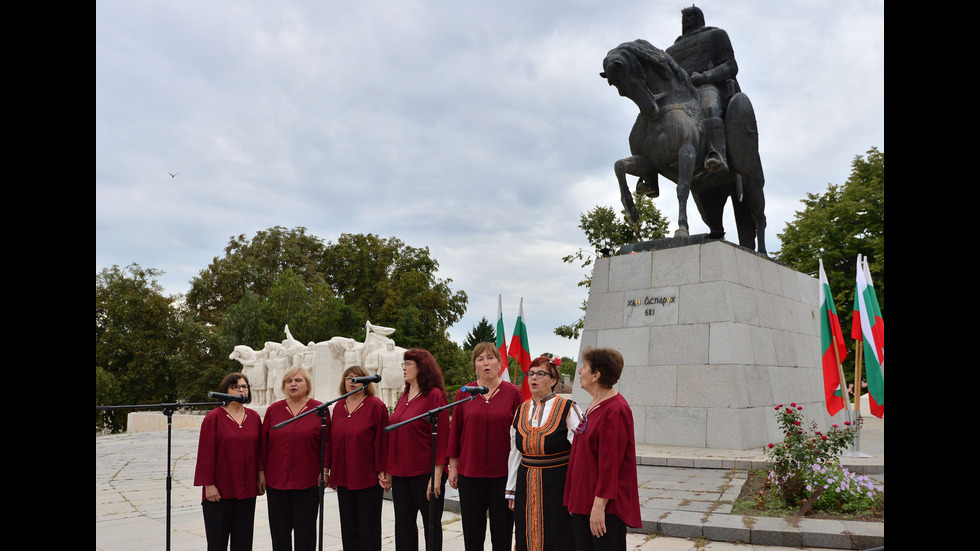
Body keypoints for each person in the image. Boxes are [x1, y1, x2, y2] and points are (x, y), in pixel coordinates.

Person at [563, 348, 641, 551]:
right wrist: (574, 499)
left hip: (603, 509)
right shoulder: (595, 403)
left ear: (596, 375)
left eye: (585, 367)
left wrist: (598, 507)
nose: (579, 371)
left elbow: (610, 464)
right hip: (583, 502)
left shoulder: (615, 409)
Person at [447, 343, 523, 551]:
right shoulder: (465, 393)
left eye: (490, 358)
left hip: (503, 475)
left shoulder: (513, 393)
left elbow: (521, 434)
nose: (485, 363)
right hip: (470, 474)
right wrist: (453, 466)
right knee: (472, 532)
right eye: (480, 359)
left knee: (503, 531)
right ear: (475, 366)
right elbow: (456, 432)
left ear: (499, 364)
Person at [506, 356, 582, 551]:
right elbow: (515, 451)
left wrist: (578, 491)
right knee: (526, 533)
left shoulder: (568, 408)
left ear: (554, 380)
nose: (534, 378)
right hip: (526, 482)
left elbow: (581, 453)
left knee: (558, 533)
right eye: (530, 373)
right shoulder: (521, 410)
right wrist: (511, 489)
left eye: (540, 374)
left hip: (558, 484)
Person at [379, 348, 450, 551]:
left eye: (409, 363)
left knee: (431, 526)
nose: (404, 368)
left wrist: (436, 475)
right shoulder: (405, 395)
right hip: (401, 474)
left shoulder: (434, 396)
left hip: (425, 474)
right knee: (403, 526)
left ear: (422, 367)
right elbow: (395, 434)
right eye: (404, 363)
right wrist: (390, 470)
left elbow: (443, 436)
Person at [666, 5, 741, 174]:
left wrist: (703, 77)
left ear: (699, 18)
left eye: (690, 16)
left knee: (709, 107)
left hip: (707, 86)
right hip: (680, 96)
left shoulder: (715, 35)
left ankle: (717, 153)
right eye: (683, 17)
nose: (685, 20)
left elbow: (730, 65)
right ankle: (650, 172)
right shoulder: (671, 51)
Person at [260, 367, 328, 551]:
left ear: (307, 385)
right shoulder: (274, 409)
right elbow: (263, 443)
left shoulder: (319, 409)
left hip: (308, 482)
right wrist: (261, 472)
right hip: (276, 481)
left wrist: (325, 471)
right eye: (289, 381)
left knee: (305, 533)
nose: (293, 384)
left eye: (298, 380)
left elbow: (327, 443)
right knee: (279, 532)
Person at [194, 372, 263, 551]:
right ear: (225, 390)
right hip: (219, 491)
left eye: (244, 386)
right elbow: (205, 453)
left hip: (246, 490)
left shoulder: (254, 418)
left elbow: (260, 450)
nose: (241, 390)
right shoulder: (214, 417)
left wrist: (260, 475)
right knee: (217, 542)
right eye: (236, 386)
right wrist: (208, 484)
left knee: (243, 542)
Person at [329, 365, 389, 551]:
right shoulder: (339, 406)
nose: (352, 381)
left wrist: (382, 470)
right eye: (348, 378)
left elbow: (382, 439)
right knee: (348, 527)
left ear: (366, 381)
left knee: (368, 527)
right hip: (344, 477)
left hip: (367, 477)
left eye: (357, 378)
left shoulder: (376, 405)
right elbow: (333, 441)